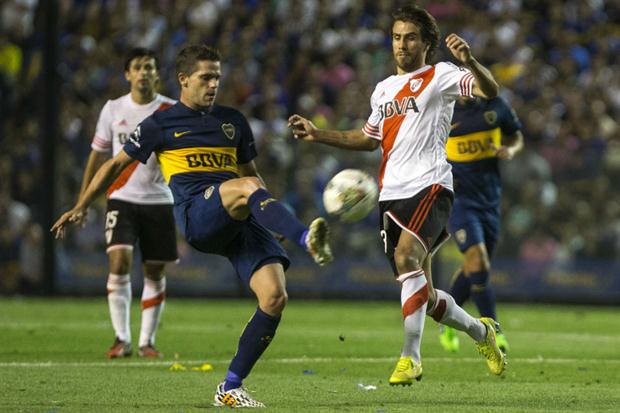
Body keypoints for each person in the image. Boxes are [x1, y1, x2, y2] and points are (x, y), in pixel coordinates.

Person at [52, 44, 332, 408]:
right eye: (205, 77)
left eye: (217, 76)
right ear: (183, 80)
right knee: (246, 190)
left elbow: (252, 177)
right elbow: (115, 165)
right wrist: (81, 204)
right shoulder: (161, 123)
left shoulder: (234, 121)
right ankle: (305, 237)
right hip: (197, 215)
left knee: (275, 297)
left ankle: (230, 387)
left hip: (239, 212)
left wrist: (269, 212)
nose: (213, 83)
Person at [288, 5, 506, 385]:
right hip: (390, 195)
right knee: (428, 296)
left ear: (427, 43)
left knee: (406, 256)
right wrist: (317, 133)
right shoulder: (383, 89)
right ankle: (481, 332)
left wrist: (470, 61)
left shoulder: (441, 76)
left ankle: (410, 358)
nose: (401, 45)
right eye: (396, 37)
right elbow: (368, 139)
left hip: (432, 186)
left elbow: (490, 90)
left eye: (410, 38)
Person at [78, 48, 176, 359]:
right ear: (128, 74)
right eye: (138, 67)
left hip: (160, 199)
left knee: (155, 270)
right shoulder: (113, 108)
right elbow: (98, 155)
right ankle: (122, 338)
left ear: (157, 74)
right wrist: (82, 202)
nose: (144, 72)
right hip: (122, 197)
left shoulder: (171, 110)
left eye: (149, 66)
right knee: (118, 262)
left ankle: (147, 341)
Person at [438, 95, 524, 354]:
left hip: (490, 200)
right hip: (459, 199)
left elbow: (516, 136)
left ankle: (448, 320)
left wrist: (511, 149)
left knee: (474, 268)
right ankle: (493, 331)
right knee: (478, 262)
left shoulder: (495, 107)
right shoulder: (444, 111)